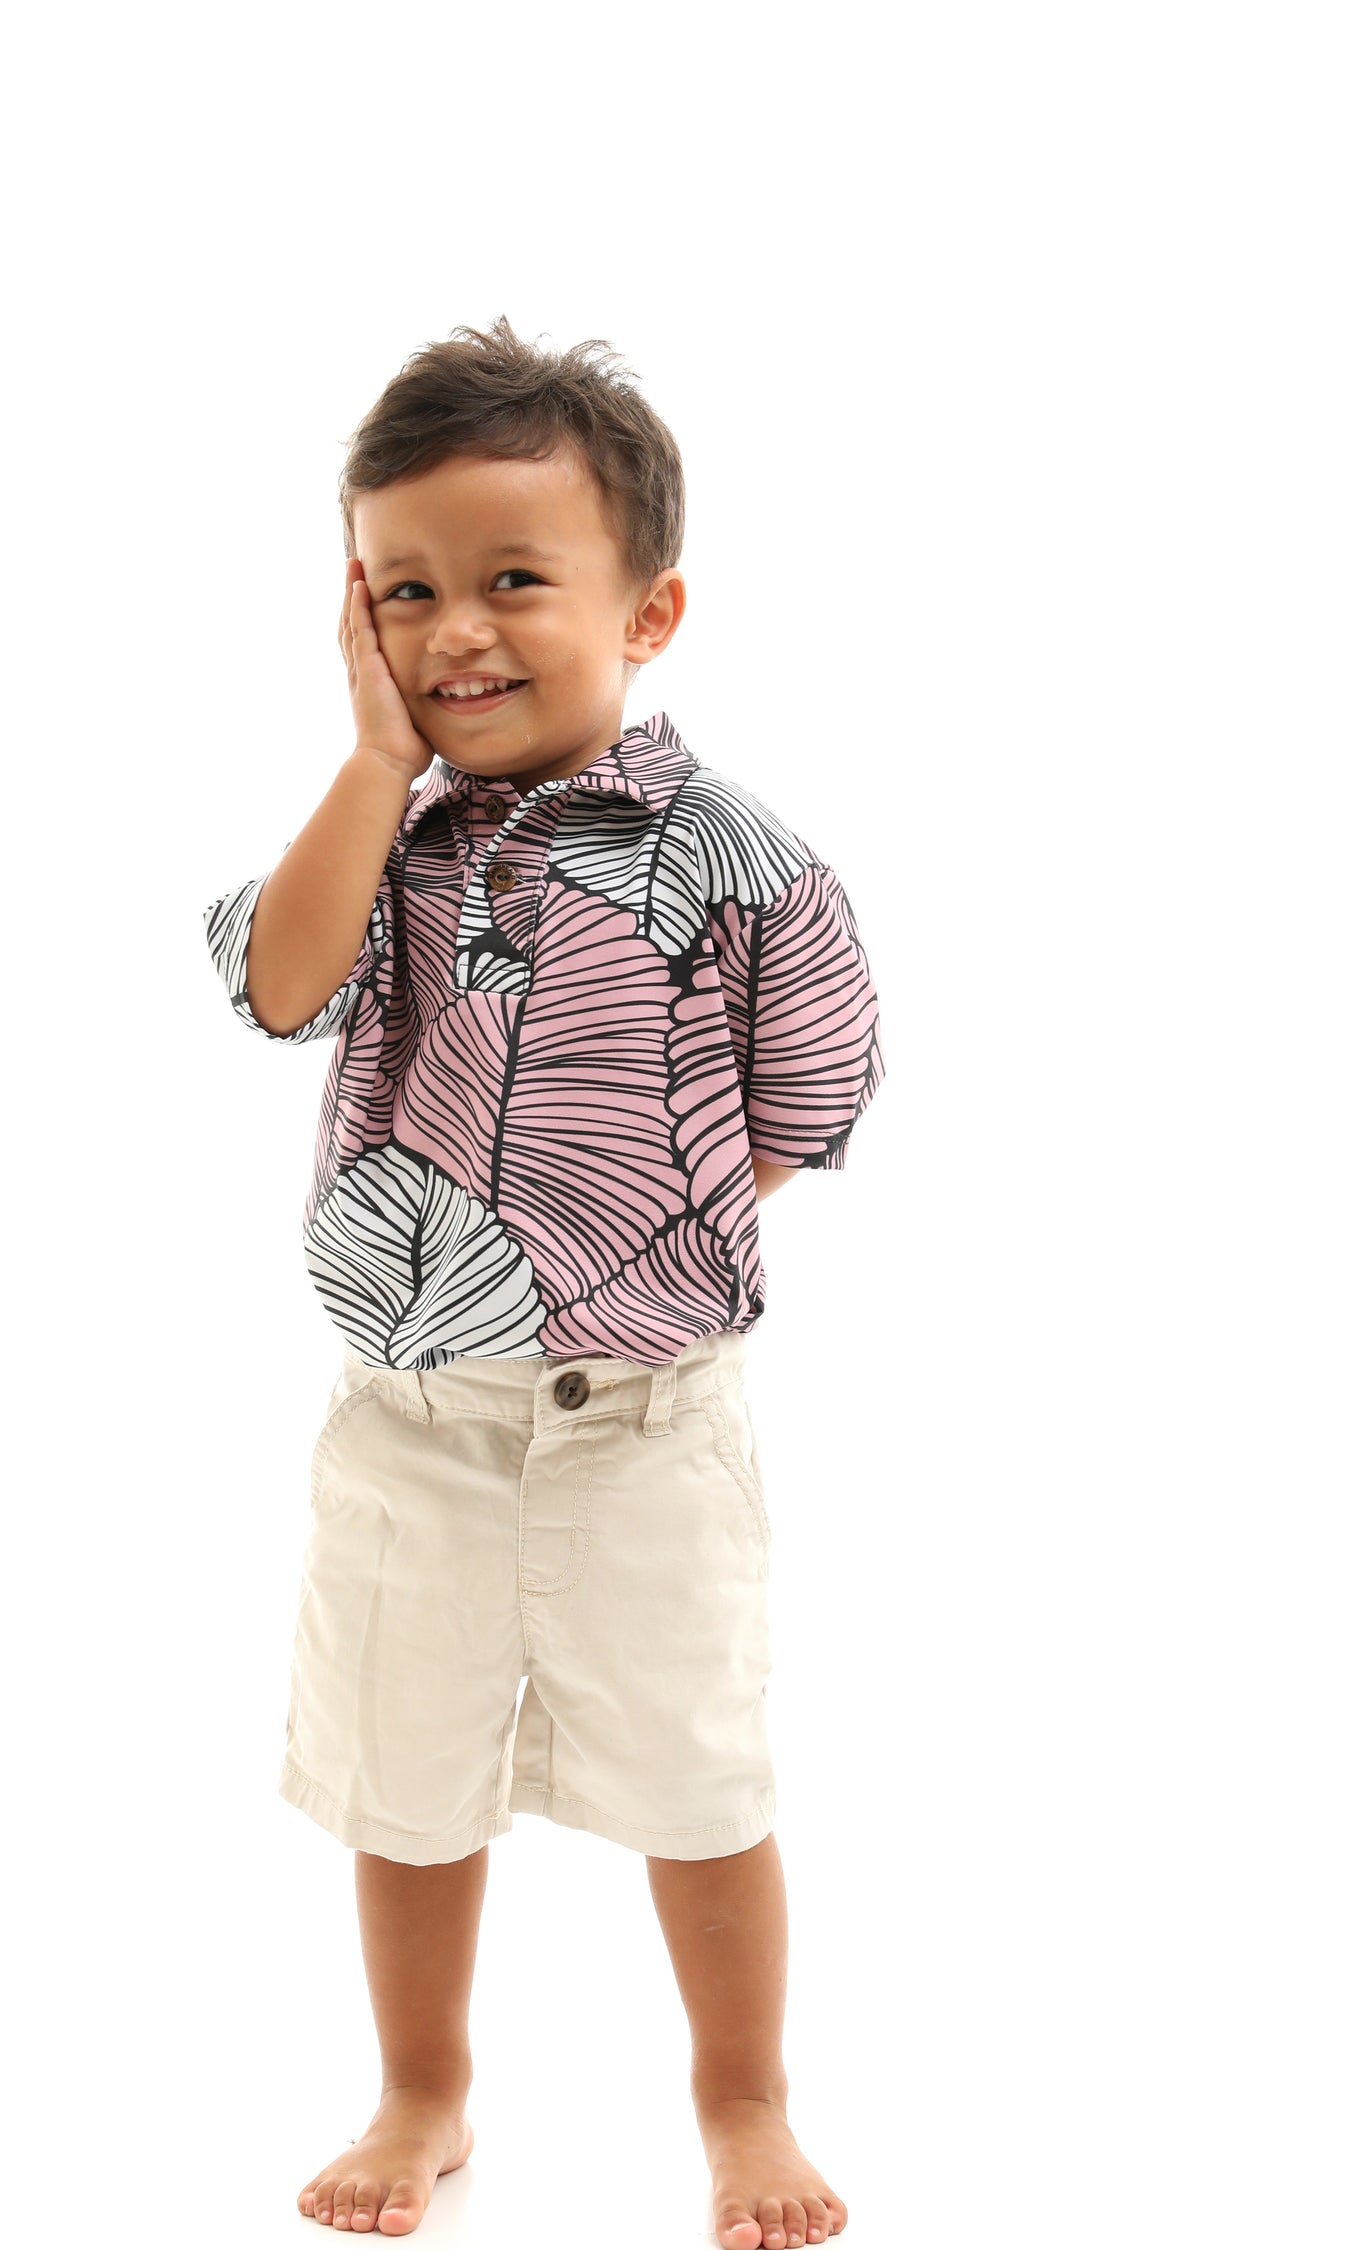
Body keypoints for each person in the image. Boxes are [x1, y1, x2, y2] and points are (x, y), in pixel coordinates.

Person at [202, 317, 886, 2246]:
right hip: (412, 1426)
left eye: (514, 578)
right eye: (405, 588)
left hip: (646, 1429)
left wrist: (625, 1240)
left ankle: (741, 2096)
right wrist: (369, 759)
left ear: (648, 610)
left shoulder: (740, 858)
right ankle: (422, 2084)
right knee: (402, 1778)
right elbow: (277, 986)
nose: (457, 631)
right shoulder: (384, 843)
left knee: (699, 1778)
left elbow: (810, 1092)